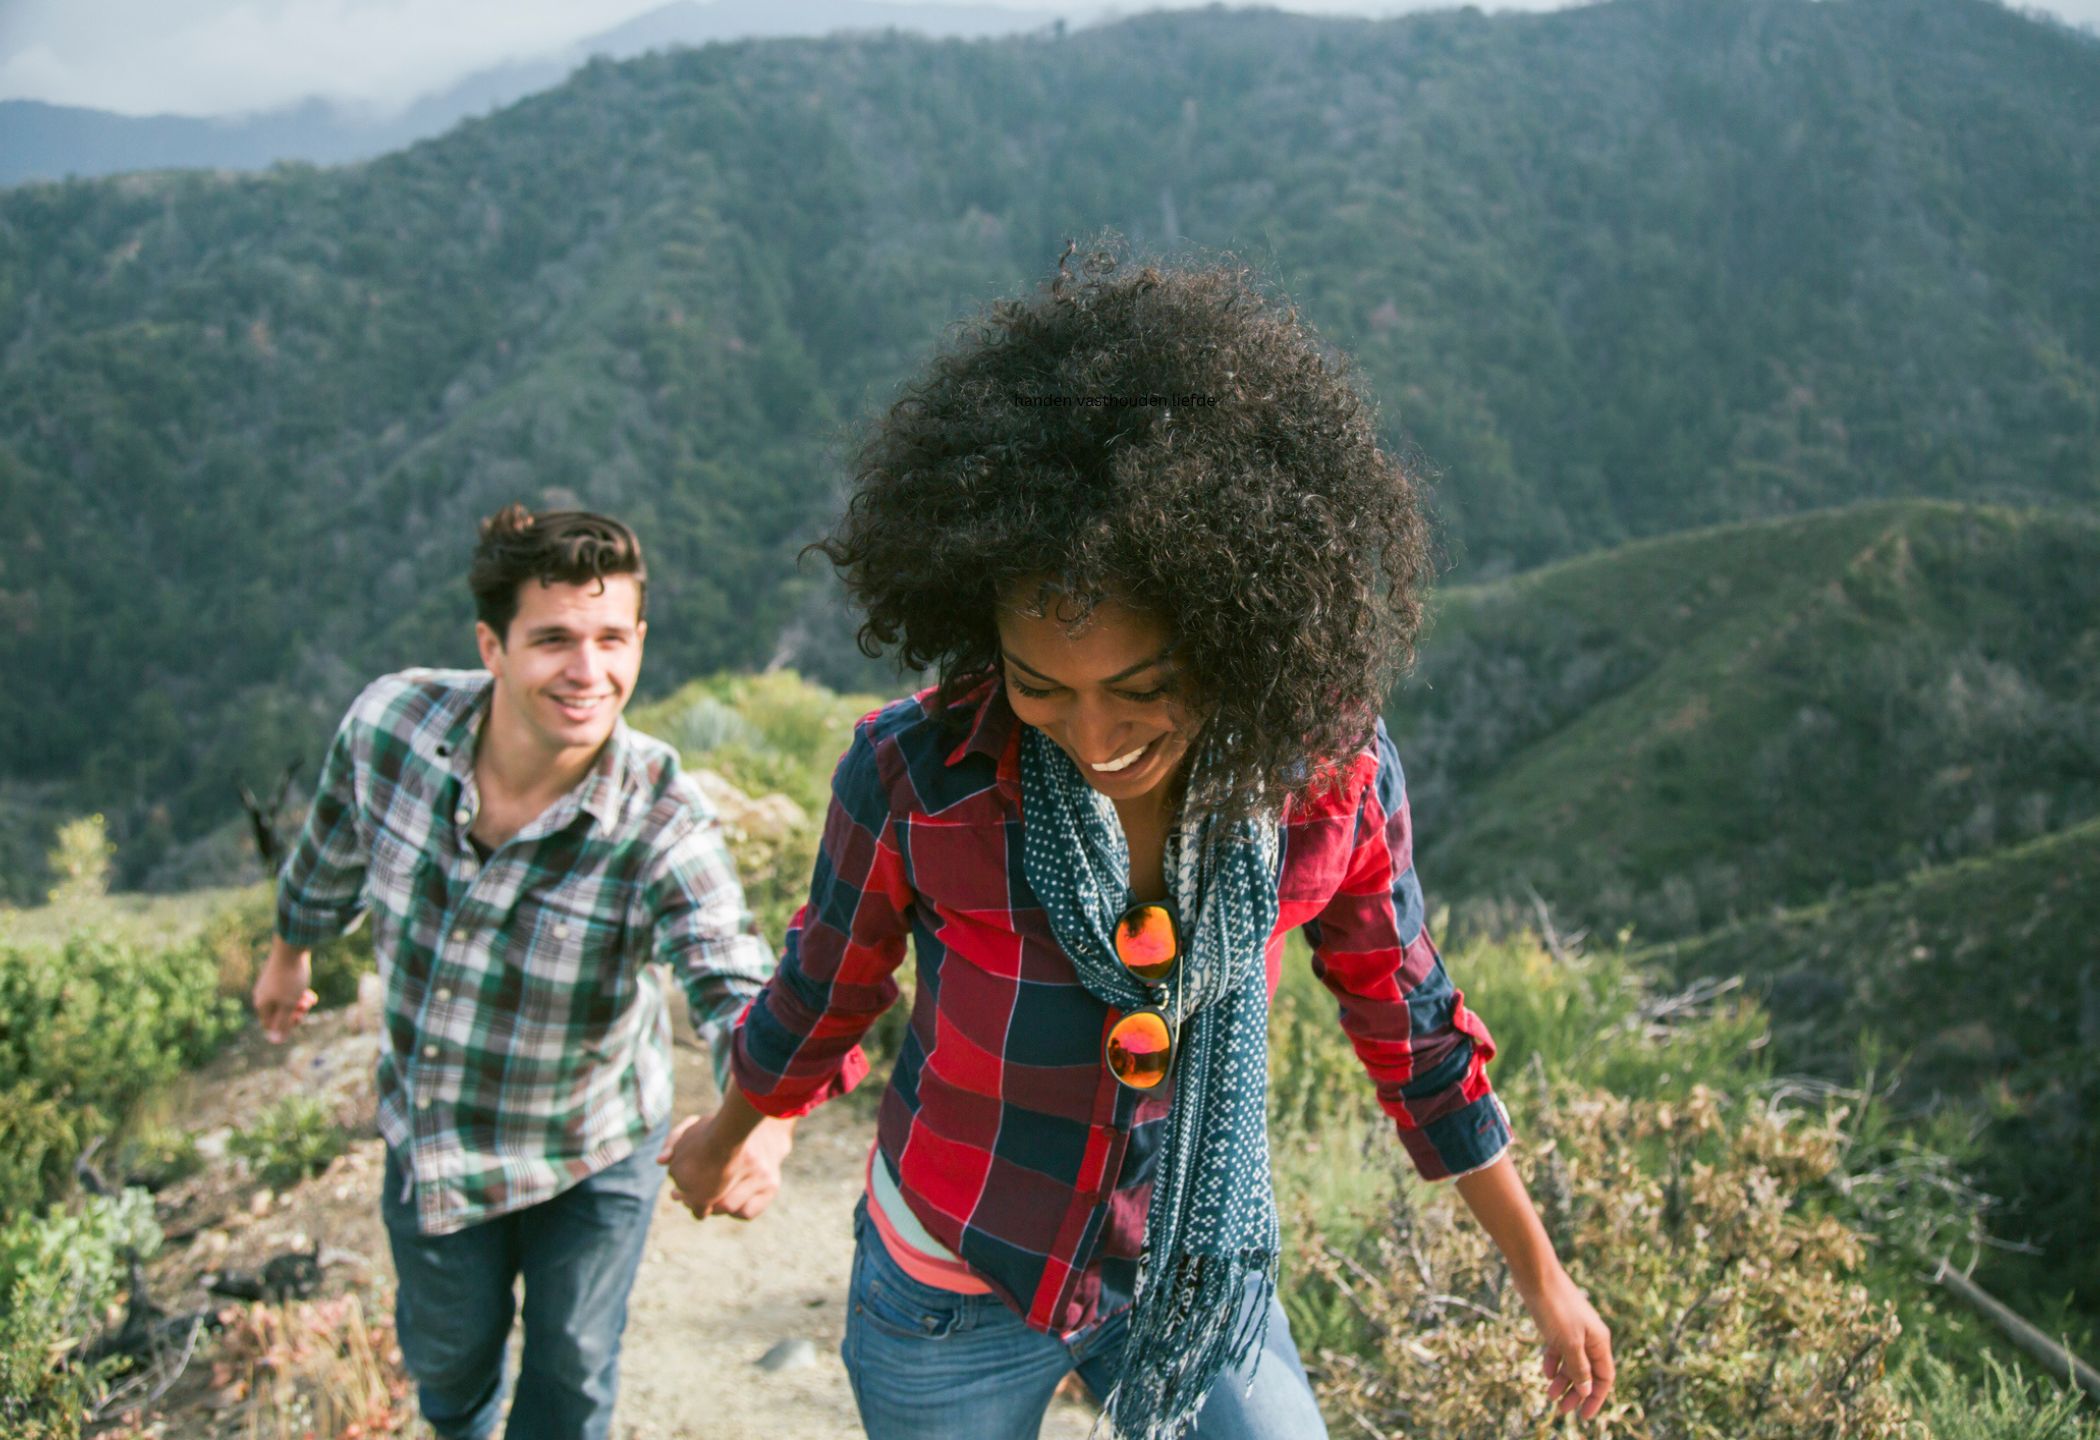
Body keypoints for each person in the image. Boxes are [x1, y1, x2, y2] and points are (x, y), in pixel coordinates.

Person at [663, 248, 1618, 1439]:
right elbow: (828, 985)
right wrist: (728, 1135)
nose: (1096, 735)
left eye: (1142, 685)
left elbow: (1410, 1023)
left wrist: (1540, 1271)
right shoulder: (921, 777)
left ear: (1234, 625)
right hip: (953, 1285)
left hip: (1188, 1270)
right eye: (1039, 687)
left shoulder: (1325, 779)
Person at [253, 505, 781, 1440]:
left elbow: (729, 975)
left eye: (612, 638)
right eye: (554, 641)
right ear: (491, 646)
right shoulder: (393, 728)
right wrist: (290, 953)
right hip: (436, 1134)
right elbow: (327, 857)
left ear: (641, 640)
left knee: (572, 1381)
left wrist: (761, 1118)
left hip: (592, 1144)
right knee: (450, 1371)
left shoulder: (660, 815)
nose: (589, 672)